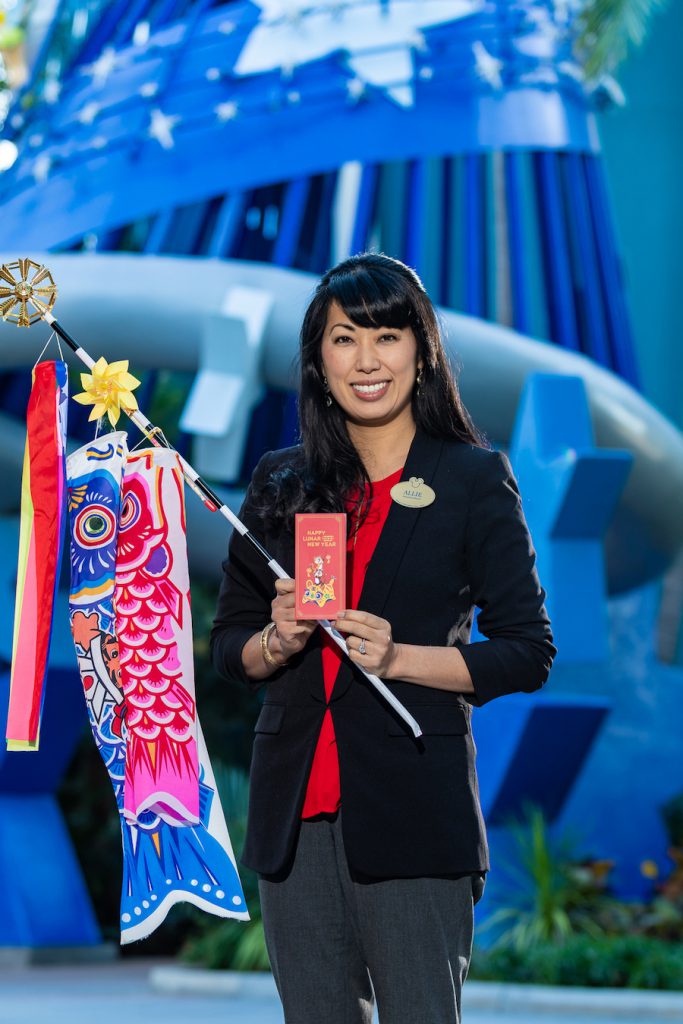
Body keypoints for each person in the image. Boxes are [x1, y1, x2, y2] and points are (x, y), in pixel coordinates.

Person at [210, 252, 557, 1024]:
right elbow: (228, 645)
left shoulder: (470, 479)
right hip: (293, 818)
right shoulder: (282, 481)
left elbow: (527, 650)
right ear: (317, 359)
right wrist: (278, 639)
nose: (366, 361)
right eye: (342, 340)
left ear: (421, 349)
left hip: (411, 813)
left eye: (387, 336)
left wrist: (399, 659)